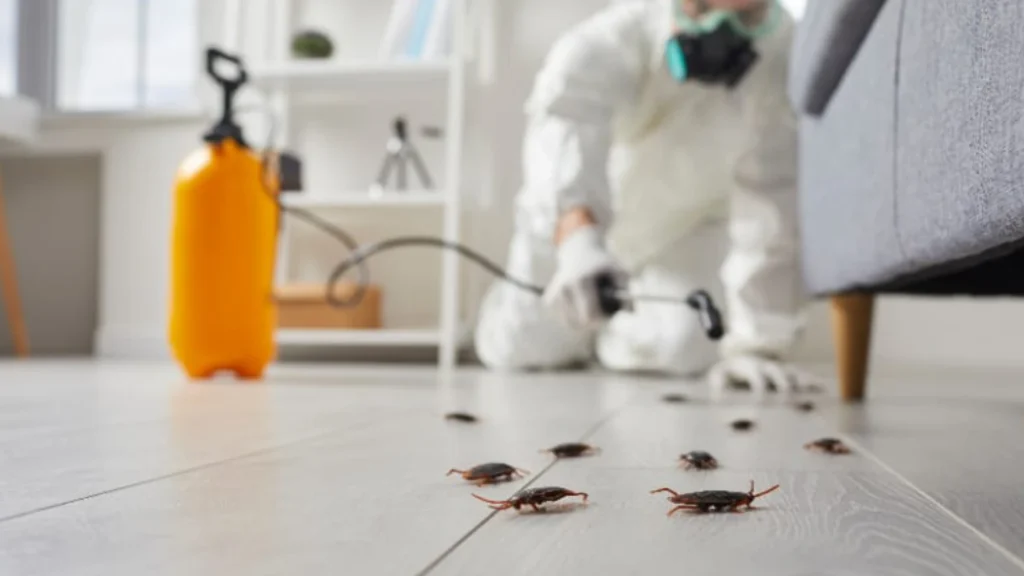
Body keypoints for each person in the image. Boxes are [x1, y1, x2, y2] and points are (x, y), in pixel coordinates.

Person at [474, 0, 814, 393]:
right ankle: (530, 316)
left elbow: (769, 199)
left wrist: (759, 345)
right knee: (521, 349)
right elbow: (567, 118)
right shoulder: (616, 34)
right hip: (578, 225)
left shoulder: (782, 53)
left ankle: (606, 339)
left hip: (682, 231)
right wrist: (577, 237)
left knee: (685, 346)